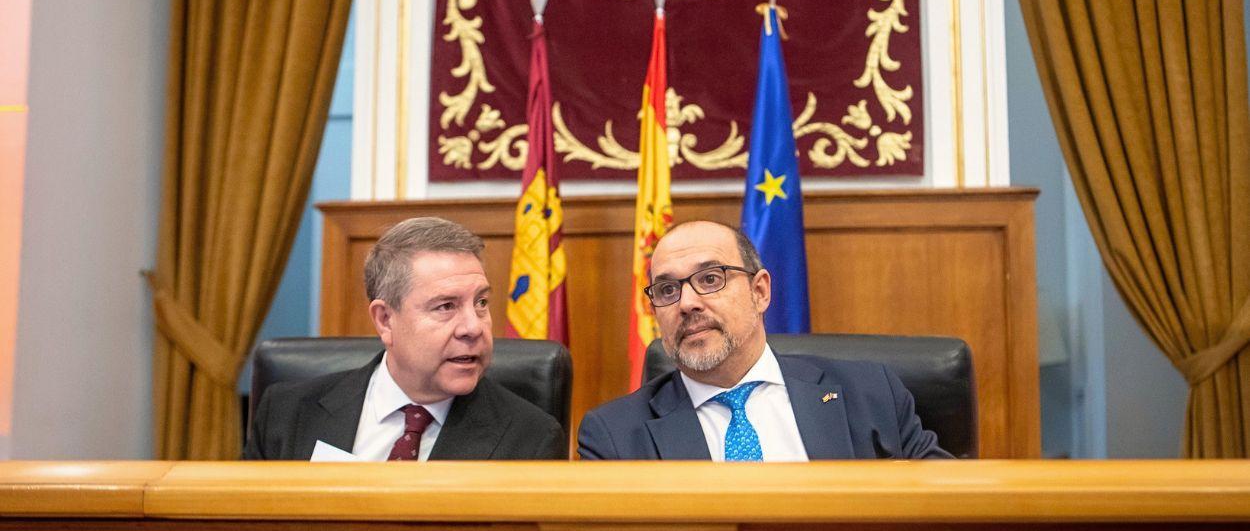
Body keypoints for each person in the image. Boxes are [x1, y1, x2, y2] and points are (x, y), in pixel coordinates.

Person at [577, 220, 951, 460]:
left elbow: (946, 508)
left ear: (760, 292)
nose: (687, 303)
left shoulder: (869, 393)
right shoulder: (614, 436)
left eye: (710, 279)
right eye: (667, 289)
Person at [244, 217, 566, 461]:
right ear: (385, 320)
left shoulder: (531, 438)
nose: (473, 327)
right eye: (446, 306)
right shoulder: (287, 413)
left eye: (481, 303)